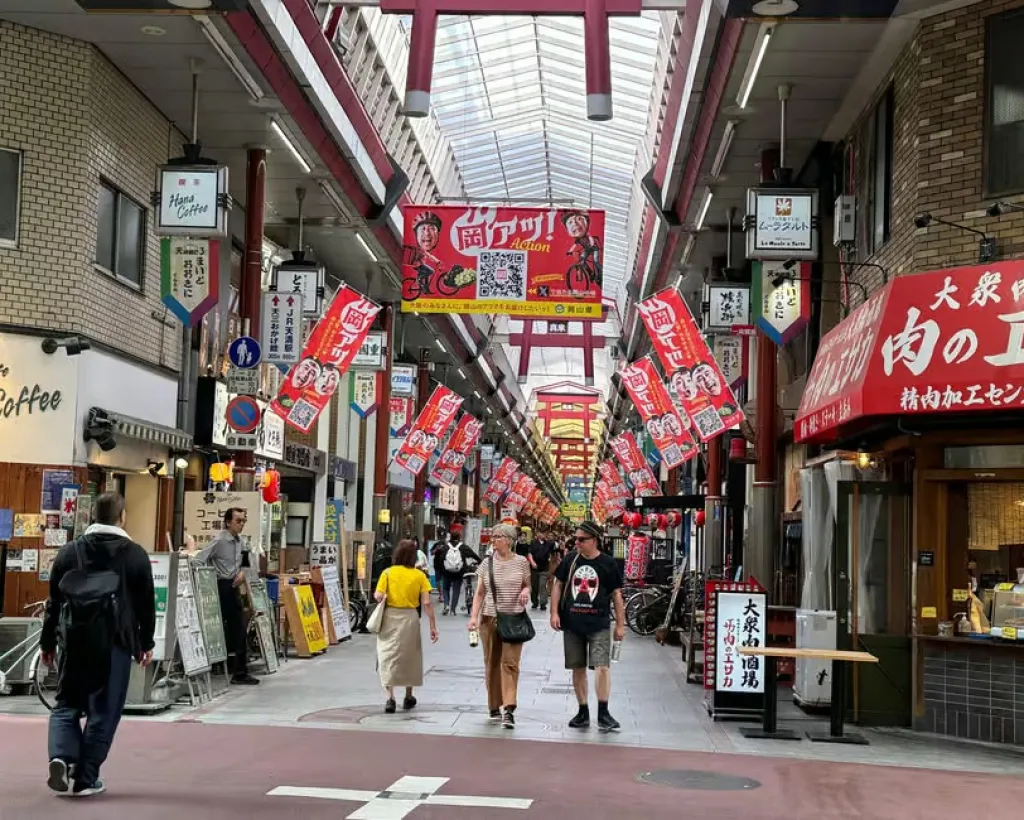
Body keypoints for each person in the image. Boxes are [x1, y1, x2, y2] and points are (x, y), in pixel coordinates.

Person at [41, 492, 155, 797]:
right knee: (103, 712)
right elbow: (146, 605)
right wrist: (145, 643)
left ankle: (61, 757)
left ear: (93, 516)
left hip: (74, 642)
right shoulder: (136, 555)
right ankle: (86, 777)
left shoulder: (68, 553)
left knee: (66, 704)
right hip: (115, 644)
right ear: (122, 517)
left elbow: (54, 604)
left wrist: (47, 642)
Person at [551, 520, 626, 733]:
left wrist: (620, 625)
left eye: (581, 539)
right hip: (572, 623)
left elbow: (617, 595)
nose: (577, 543)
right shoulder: (570, 560)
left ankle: (603, 711)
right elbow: (558, 585)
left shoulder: (608, 563)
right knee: (577, 667)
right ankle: (582, 710)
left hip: (599, 623)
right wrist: (554, 612)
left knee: (602, 666)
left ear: (594, 540)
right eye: (575, 539)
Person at [468, 523, 531, 729]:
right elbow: (479, 593)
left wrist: (526, 592)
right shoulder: (486, 564)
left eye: (497, 537)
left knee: (510, 664)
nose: (493, 540)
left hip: (514, 618)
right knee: (492, 662)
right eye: (492, 536)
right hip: (489, 618)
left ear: (509, 541)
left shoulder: (522, 562)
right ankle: (494, 704)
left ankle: (509, 709)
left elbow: (527, 585)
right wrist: (473, 618)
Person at [191, 507, 259, 686]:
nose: (241, 524)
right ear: (228, 522)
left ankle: (239, 671)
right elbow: (198, 560)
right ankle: (219, 667)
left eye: (243, 521)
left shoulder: (242, 542)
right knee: (218, 627)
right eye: (238, 521)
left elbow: (246, 563)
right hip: (221, 587)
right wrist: (210, 577)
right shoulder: (219, 540)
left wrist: (243, 573)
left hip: (234, 587)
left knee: (238, 628)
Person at [374, 539, 438, 713]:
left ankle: (390, 698)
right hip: (410, 618)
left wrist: (385, 596)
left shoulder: (387, 573)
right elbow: (426, 603)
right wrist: (433, 626)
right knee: (411, 656)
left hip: (389, 617)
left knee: (387, 655)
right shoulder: (419, 576)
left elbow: (378, 596)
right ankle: (409, 695)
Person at [440, 531, 467, 615]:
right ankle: (453, 609)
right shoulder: (462, 546)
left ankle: (446, 605)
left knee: (445, 588)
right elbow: (473, 554)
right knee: (456, 590)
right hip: (458, 573)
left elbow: (441, 559)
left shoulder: (446, 547)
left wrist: (442, 570)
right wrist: (480, 561)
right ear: (459, 537)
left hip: (447, 572)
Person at [528, 528, 555, 611]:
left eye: (544, 533)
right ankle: (535, 602)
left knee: (542, 585)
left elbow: (552, 555)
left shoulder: (549, 544)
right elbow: (530, 554)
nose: (542, 535)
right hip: (534, 568)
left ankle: (543, 603)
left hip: (544, 568)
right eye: (541, 533)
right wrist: (532, 562)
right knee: (534, 586)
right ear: (538, 533)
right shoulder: (533, 543)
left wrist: (551, 567)